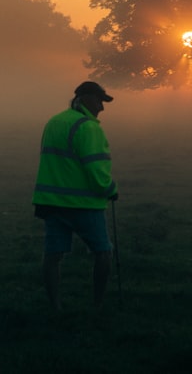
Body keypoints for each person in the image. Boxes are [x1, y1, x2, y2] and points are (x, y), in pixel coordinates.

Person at [33, 81, 119, 311]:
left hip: (51, 202)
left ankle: (55, 307)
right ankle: (97, 305)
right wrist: (111, 190)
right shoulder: (89, 127)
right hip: (84, 204)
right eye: (100, 101)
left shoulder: (55, 122)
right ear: (84, 99)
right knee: (103, 253)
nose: (102, 107)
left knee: (53, 255)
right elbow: (96, 169)